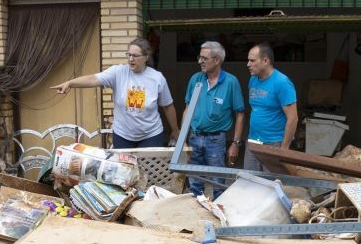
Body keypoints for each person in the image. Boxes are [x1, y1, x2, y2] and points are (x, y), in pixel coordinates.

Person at [51, 38, 179, 149]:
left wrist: (175, 130)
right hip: (123, 136)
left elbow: (168, 106)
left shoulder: (157, 78)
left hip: (151, 135)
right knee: (125, 174)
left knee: (149, 174)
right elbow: (93, 79)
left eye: (135, 56)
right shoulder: (118, 72)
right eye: (128, 55)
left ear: (146, 57)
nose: (130, 59)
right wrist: (70, 83)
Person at [183, 41, 244, 199]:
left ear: (217, 60)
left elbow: (240, 114)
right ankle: (196, 216)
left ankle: (218, 219)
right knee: (194, 183)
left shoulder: (230, 82)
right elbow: (188, 109)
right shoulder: (196, 79)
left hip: (216, 140)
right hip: (195, 136)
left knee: (218, 183)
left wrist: (235, 143)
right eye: (199, 57)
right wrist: (182, 139)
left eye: (204, 58)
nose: (199, 61)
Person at [243, 43, 298, 171]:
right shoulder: (253, 80)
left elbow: (293, 118)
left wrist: (284, 149)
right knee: (249, 184)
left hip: (274, 145)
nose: (248, 64)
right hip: (253, 142)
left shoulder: (282, 82)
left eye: (252, 60)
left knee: (273, 186)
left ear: (265, 60)